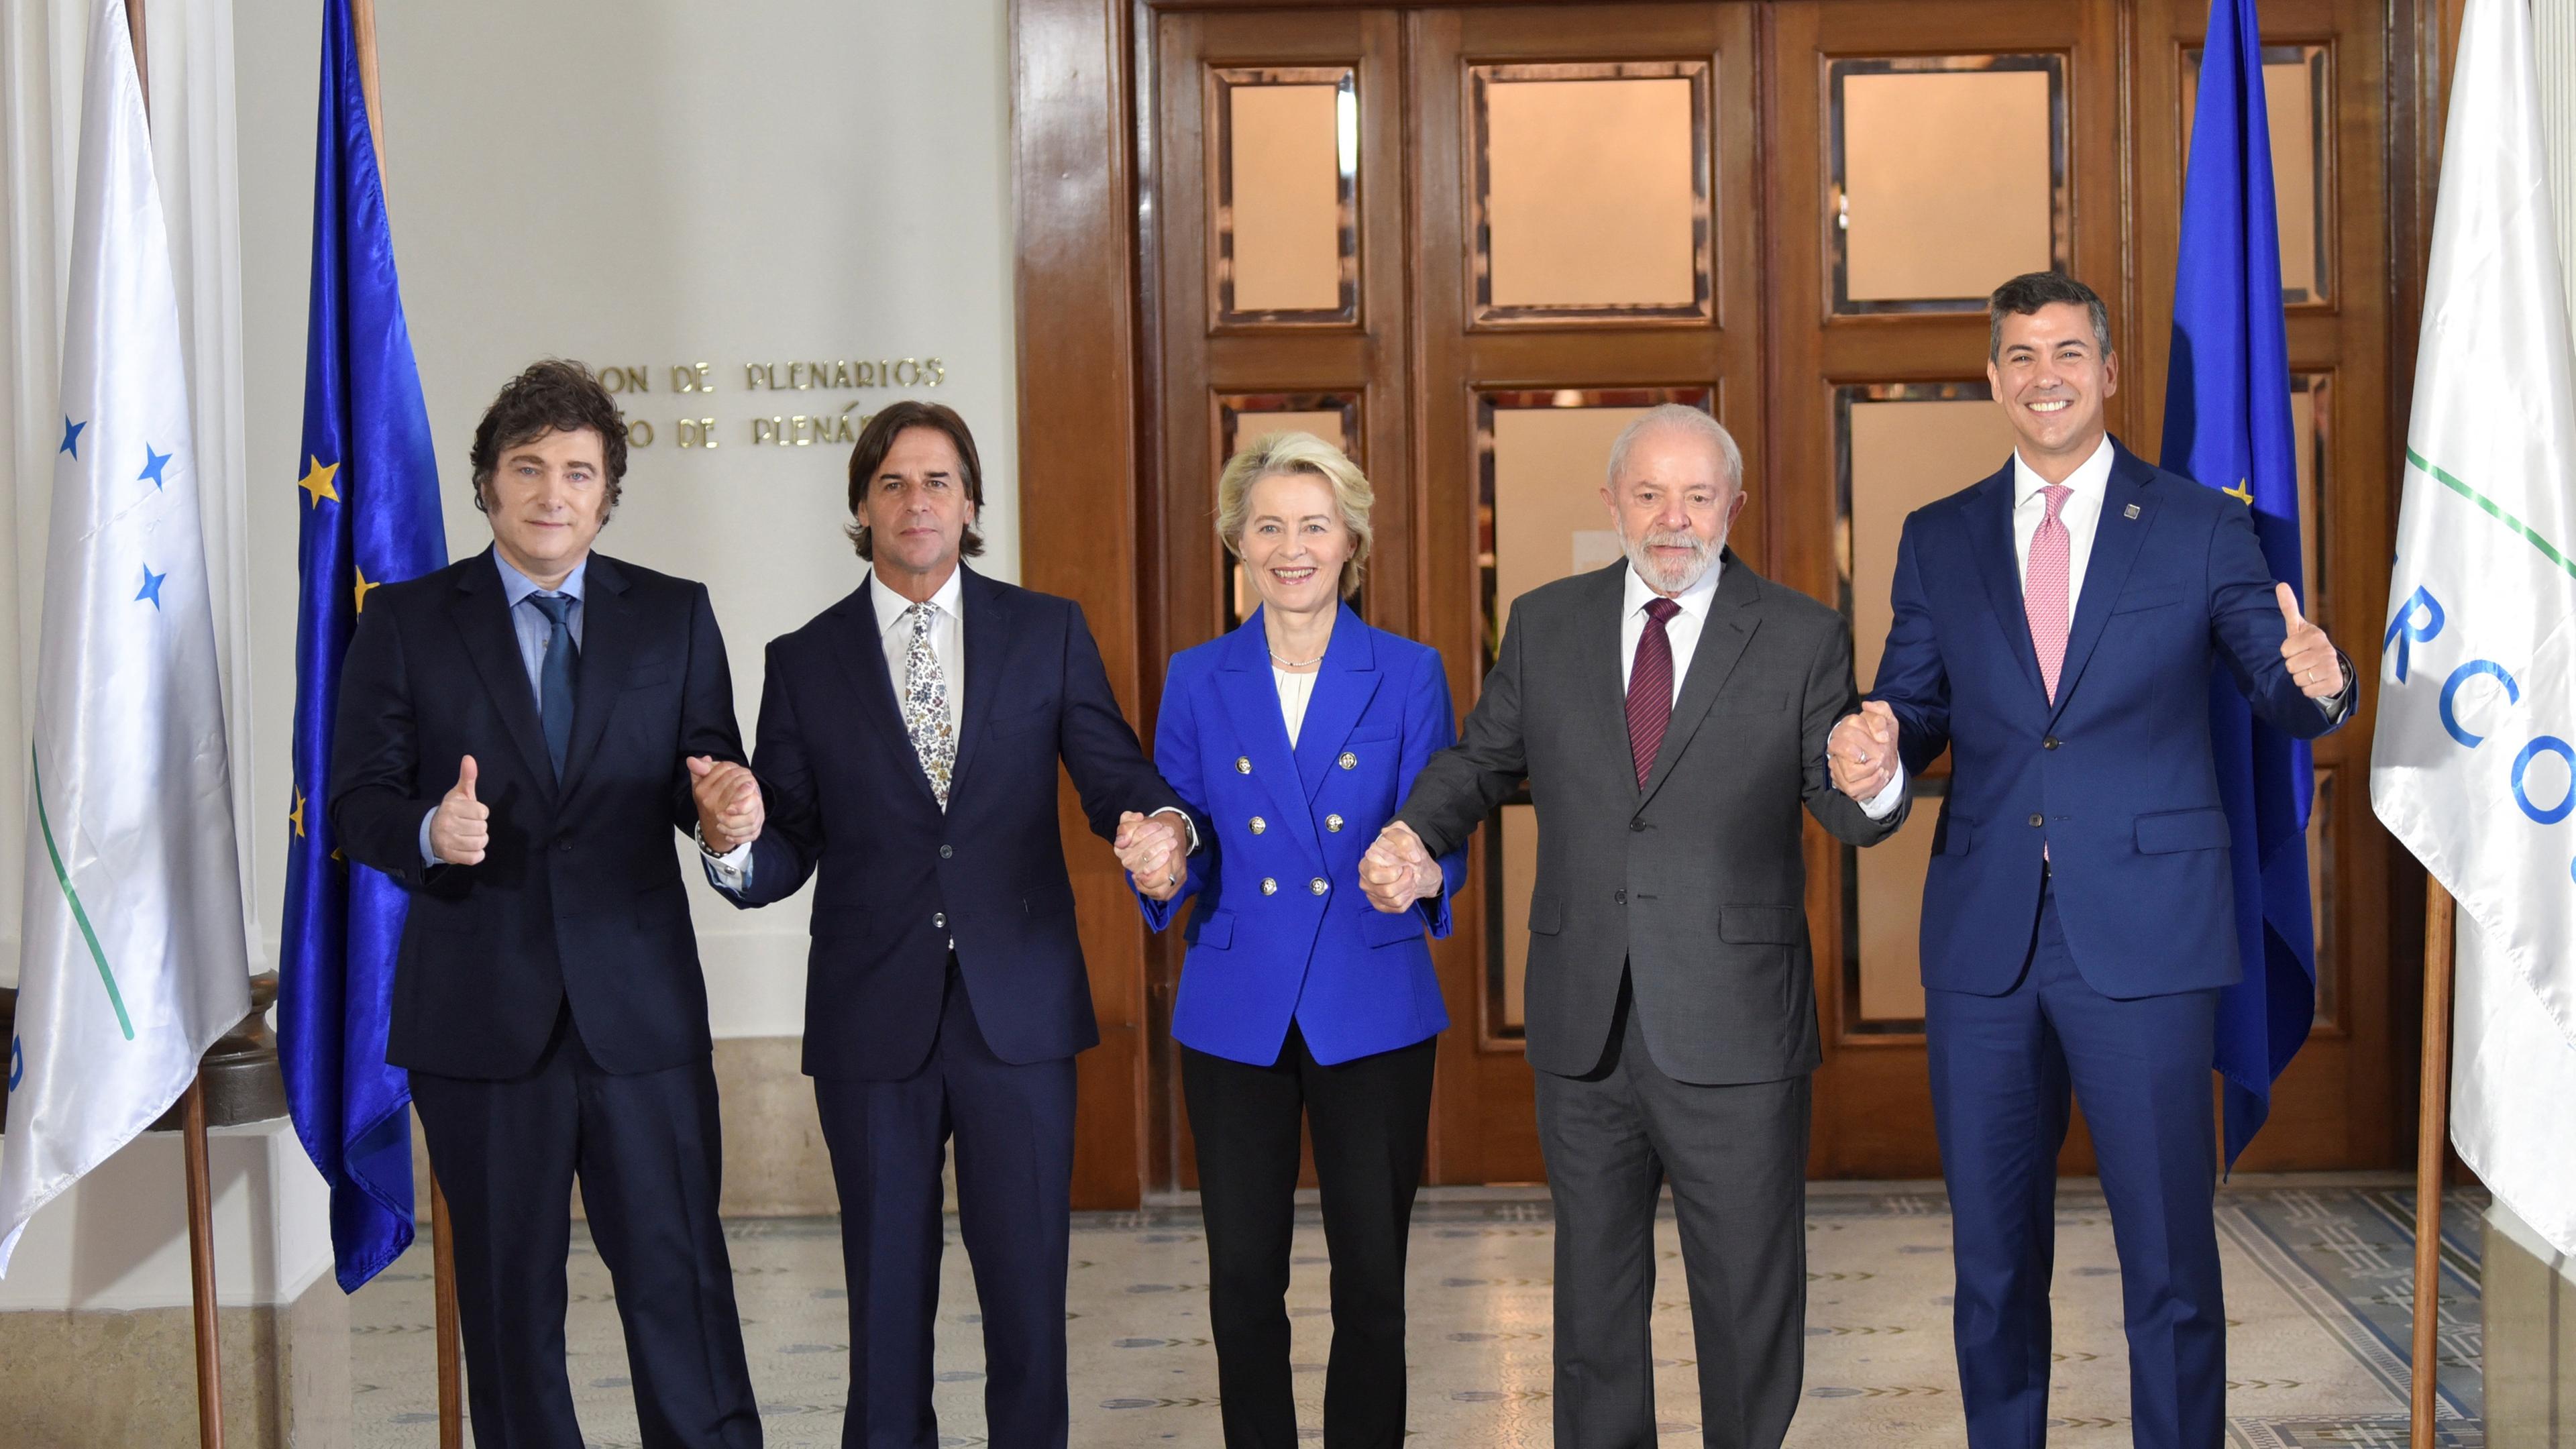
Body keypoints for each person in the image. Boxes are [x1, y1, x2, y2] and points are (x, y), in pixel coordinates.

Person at [1835, 271, 2353, 1449]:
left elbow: (2272, 676)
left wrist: (2321, 687)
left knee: (2169, 1262)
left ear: (2109, 372)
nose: (2045, 376)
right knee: (1992, 1265)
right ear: (1993, 379)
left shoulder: (2201, 523)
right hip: (1987, 941)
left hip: (2152, 931)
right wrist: (1878, 743)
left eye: (2068, 352)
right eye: (2020, 356)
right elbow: (1913, 707)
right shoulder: (1941, 534)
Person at [1360, 405, 1906, 1449]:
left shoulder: (1800, 634)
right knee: (1593, 1307)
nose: (1673, 519)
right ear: (1611, 501)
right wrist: (1416, 834)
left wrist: (1871, 778)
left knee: (1748, 1301)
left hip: (1737, 1026)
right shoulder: (1546, 621)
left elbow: (1842, 806)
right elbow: (1480, 762)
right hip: (1585, 1024)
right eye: (1649, 494)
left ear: (1733, 508)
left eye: (1698, 497)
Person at [699, 400, 1195, 1448]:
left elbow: (1114, 773)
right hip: (871, 1019)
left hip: (1018, 1010)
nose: (916, 501)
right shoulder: (805, 659)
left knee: (1027, 1298)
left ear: (971, 503)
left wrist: (1159, 827)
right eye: (892, 483)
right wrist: (735, 840)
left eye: (937, 482)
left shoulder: (1046, 630)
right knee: (883, 1301)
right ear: (862, 508)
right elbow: (785, 844)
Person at [329, 359, 765, 1448]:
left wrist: (724, 818)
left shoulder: (673, 616)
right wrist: (433, 830)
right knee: (510, 1306)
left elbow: (703, 778)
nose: (553, 493)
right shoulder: (409, 622)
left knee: (681, 1288)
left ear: (608, 491)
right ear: (487, 486)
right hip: (480, 1022)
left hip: (641, 1021)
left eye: (579, 471)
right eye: (528, 468)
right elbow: (354, 803)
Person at [1124, 432, 1464, 1449]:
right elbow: (1179, 814)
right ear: (1238, 541)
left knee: (1371, 1277)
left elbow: (1439, 818)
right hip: (1239, 1009)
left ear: (1351, 538)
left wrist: (1426, 869)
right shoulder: (1198, 676)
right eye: (1267, 525)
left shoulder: (1409, 674)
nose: (1291, 546)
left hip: (1372, 1005)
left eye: (1314, 524)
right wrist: (1163, 852)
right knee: (1241, 1283)